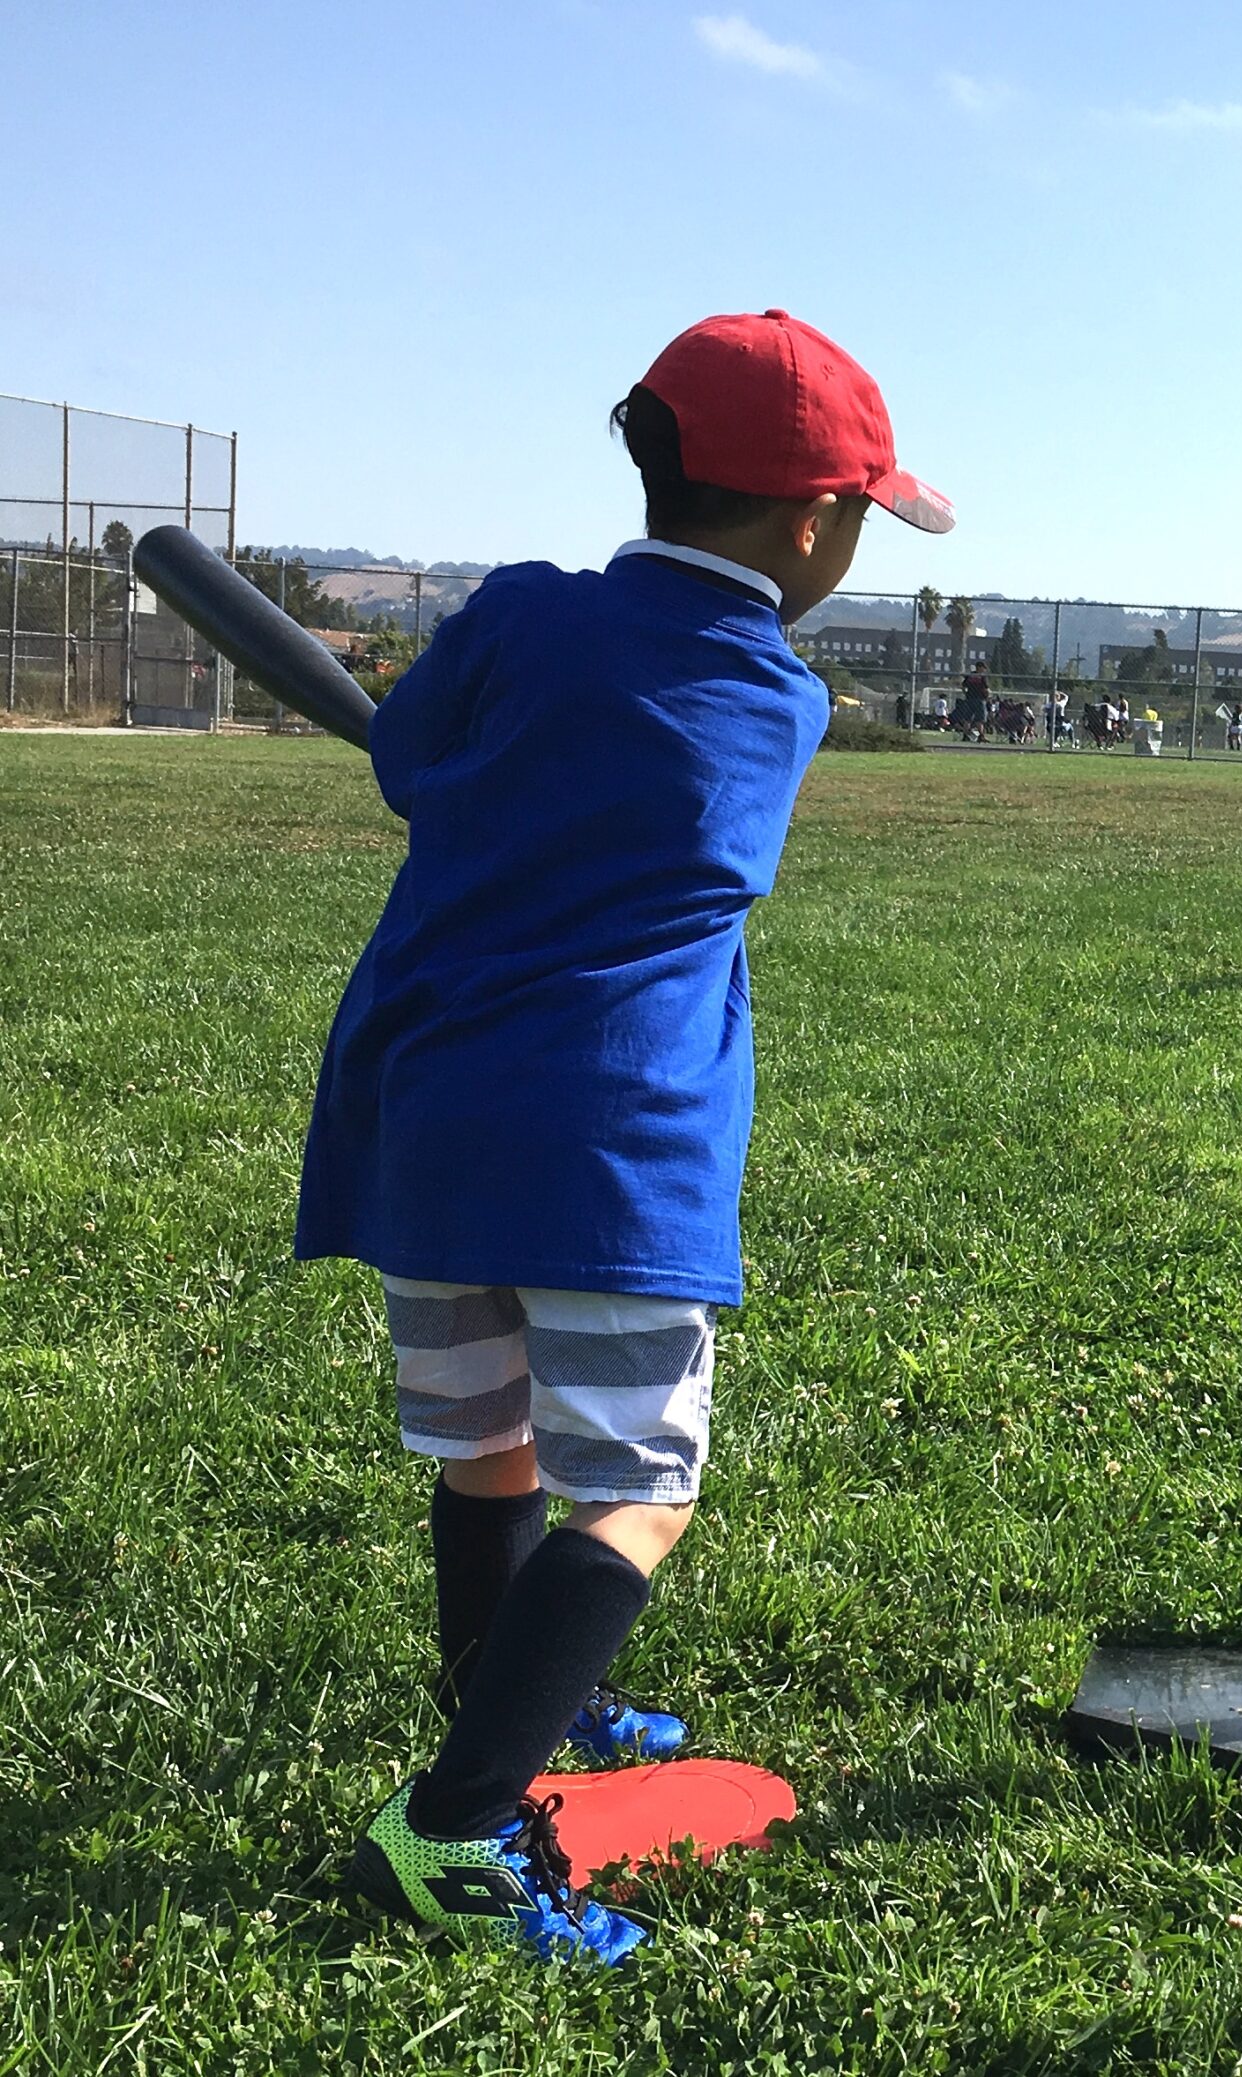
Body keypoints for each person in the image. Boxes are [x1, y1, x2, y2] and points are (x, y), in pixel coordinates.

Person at [312, 310, 952, 1964]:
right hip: (609, 1147)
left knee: (490, 1448)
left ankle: (513, 1718)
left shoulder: (523, 614)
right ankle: (451, 1827)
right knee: (636, 1492)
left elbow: (407, 754)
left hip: (432, 1113)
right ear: (811, 523)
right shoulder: (769, 694)